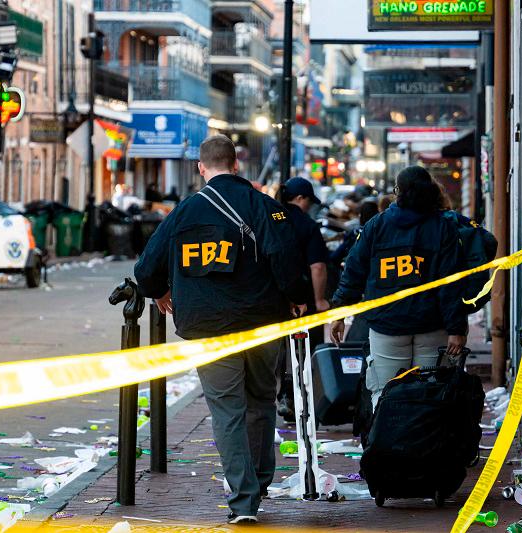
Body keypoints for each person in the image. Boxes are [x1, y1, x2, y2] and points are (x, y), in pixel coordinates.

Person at [134, 135, 309, 524]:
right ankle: (261, 480)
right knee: (261, 400)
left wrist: (160, 291)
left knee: (227, 410)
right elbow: (285, 259)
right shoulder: (266, 207)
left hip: (209, 327)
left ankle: (244, 501)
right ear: (236, 164)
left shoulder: (183, 213)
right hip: (262, 322)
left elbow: (145, 269)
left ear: (201, 168)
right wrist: (298, 298)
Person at [329, 166, 468, 407]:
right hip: (431, 324)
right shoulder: (442, 227)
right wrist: (456, 329)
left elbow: (354, 271)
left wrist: (340, 312)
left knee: (385, 394)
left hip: (387, 324)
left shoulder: (377, 225)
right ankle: (423, 445)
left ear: (398, 192)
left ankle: (387, 442)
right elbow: (451, 282)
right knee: (429, 394)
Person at [275, 177, 330, 420]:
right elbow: (317, 267)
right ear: (300, 199)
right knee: (304, 348)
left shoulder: (271, 218)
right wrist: (320, 301)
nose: (309, 206)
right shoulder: (308, 225)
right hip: (303, 299)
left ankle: (279, 395)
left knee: (276, 348)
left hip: (271, 298)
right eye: (308, 201)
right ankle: (301, 397)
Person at [330, 200, 379, 267]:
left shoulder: (355, 233)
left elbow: (336, 255)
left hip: (357, 270)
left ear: (361, 215)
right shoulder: (382, 231)